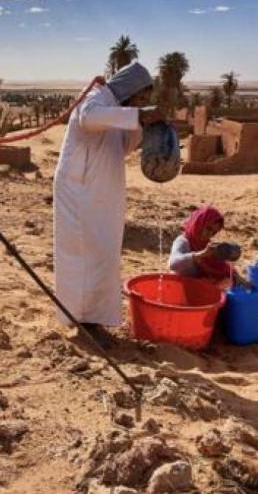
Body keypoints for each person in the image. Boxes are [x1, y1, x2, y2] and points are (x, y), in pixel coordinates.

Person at [53, 61, 163, 347]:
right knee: (85, 256)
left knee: (104, 255)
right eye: (140, 98)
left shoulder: (115, 110)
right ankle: (83, 323)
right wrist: (136, 115)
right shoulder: (96, 98)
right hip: (80, 193)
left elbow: (121, 146)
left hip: (102, 196)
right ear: (130, 89)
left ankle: (94, 319)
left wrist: (143, 126)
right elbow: (87, 119)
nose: (141, 103)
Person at [167, 206, 250, 290]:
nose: (210, 234)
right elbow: (173, 264)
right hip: (181, 286)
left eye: (214, 232)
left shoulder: (207, 245)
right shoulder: (183, 241)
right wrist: (201, 254)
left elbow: (222, 267)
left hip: (199, 286)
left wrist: (240, 279)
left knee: (228, 282)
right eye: (208, 228)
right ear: (199, 223)